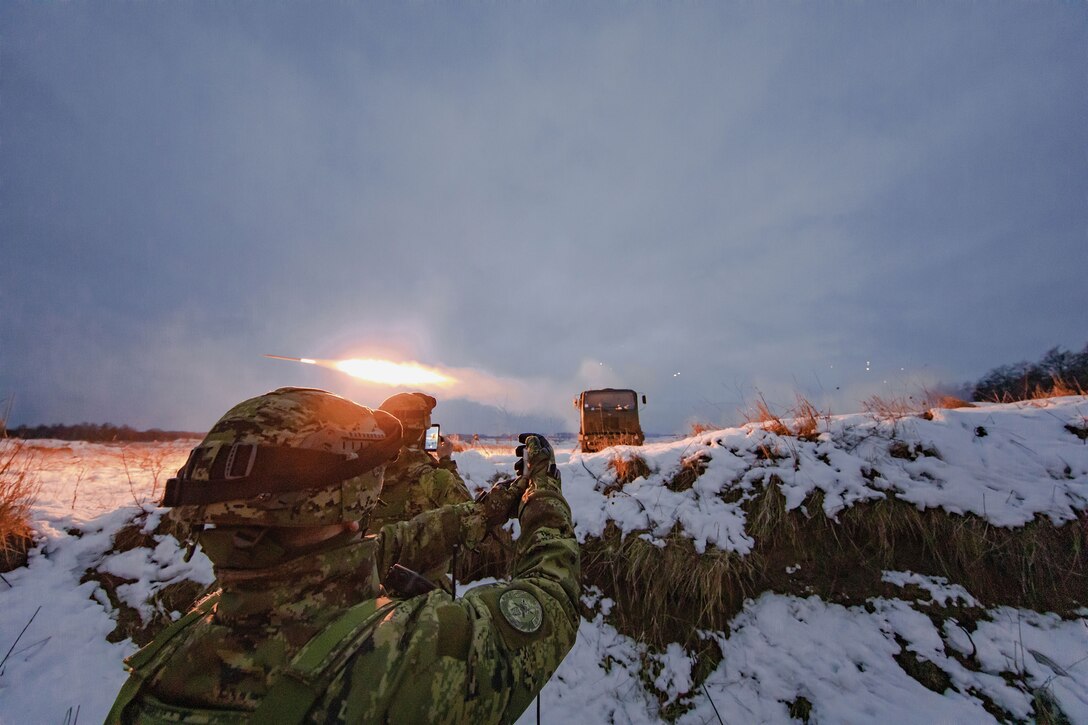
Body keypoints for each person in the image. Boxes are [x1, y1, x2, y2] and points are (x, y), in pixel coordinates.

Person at [106, 387, 579, 723]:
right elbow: (552, 597)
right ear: (348, 506)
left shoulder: (171, 655)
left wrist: (485, 508)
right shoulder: (403, 661)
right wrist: (544, 493)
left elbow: (383, 548)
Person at [370, 392, 472, 587]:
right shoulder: (433, 478)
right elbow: (470, 515)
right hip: (422, 590)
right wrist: (445, 461)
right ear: (422, 431)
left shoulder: (362, 475)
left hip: (372, 588)